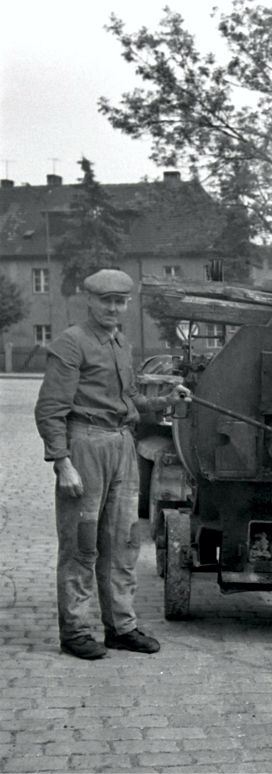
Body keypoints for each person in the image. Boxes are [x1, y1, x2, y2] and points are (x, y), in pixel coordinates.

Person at [34, 269, 191, 660]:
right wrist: (62, 463)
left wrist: (168, 398)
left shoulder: (120, 342)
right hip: (86, 446)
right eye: (106, 300)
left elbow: (130, 397)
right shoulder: (71, 344)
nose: (114, 308)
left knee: (122, 541)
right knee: (82, 544)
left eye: (120, 301)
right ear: (89, 300)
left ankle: (120, 627)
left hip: (123, 445)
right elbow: (50, 410)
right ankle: (75, 631)